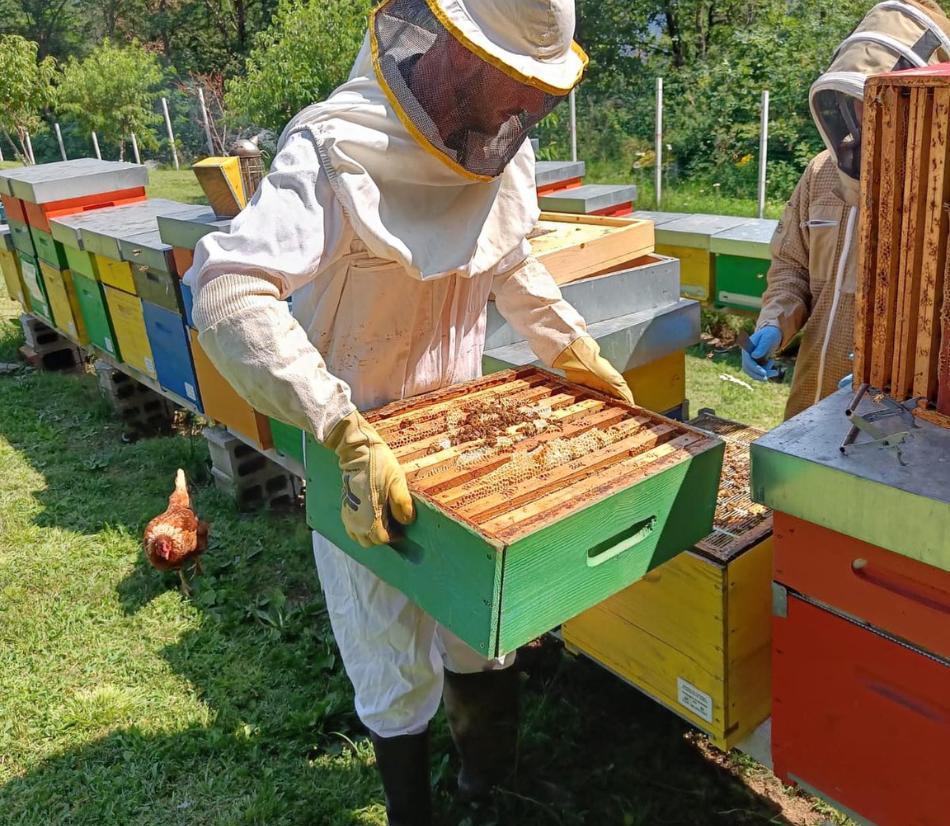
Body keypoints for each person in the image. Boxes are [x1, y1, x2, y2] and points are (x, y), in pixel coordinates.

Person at [186, 1, 633, 823]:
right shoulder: (330, 149)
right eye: (503, 79)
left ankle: (481, 786)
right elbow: (226, 289)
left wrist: (568, 346)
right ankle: (412, 813)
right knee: (386, 647)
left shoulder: (496, 161)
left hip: (466, 441)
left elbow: (509, 258)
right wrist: (342, 430)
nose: (512, 108)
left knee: (484, 628)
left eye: (529, 92)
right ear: (450, 52)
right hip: (360, 447)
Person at [743, 0, 950, 420]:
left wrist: (896, 376)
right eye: (857, 98)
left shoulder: (939, 190)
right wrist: (774, 323)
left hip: (896, 419)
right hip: (808, 400)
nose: (864, 114)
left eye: (879, 100)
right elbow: (791, 266)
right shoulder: (821, 171)